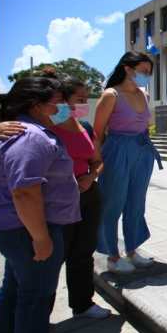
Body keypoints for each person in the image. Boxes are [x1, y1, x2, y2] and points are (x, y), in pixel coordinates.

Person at [0, 77, 89, 333]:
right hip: (28, 228)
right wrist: (41, 237)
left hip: (19, 227)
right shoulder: (30, 136)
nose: (64, 106)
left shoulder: (27, 131)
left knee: (15, 286)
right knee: (35, 295)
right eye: (58, 101)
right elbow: (24, 191)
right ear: (36, 106)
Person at [49, 76, 112, 320]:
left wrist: (91, 177)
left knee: (83, 251)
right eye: (79, 99)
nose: (84, 103)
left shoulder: (84, 127)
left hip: (87, 195)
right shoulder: (45, 126)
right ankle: (39, 316)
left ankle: (82, 303)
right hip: (58, 199)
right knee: (53, 258)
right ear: (61, 100)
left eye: (86, 99)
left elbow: (97, 161)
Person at [93, 51, 162, 273]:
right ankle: (113, 255)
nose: (146, 75)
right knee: (113, 203)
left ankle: (132, 249)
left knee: (136, 203)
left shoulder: (144, 95)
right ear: (127, 68)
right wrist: (96, 162)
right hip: (117, 150)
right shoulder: (111, 95)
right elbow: (97, 132)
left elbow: (145, 126)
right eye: (143, 71)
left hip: (142, 151)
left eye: (149, 72)